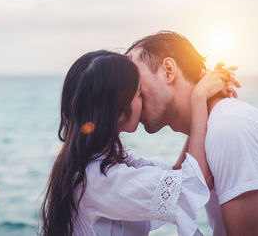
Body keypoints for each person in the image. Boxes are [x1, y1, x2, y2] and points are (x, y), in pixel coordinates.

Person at [126, 30, 258, 236]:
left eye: (134, 81)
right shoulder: (216, 124)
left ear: (169, 71)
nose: (127, 95)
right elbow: (183, 184)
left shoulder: (229, 128)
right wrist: (200, 99)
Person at [40, 50, 237, 236]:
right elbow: (191, 186)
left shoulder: (99, 162)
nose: (144, 102)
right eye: (139, 94)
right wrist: (199, 98)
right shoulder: (98, 178)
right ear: (117, 112)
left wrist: (201, 97)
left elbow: (177, 176)